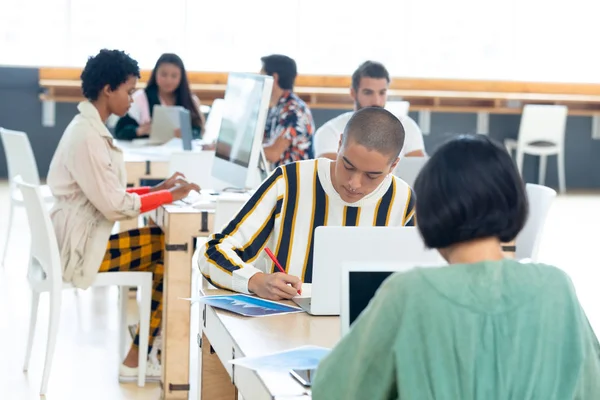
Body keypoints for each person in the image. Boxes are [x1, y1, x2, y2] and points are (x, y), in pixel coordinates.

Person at [311, 134, 600, 399]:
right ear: (514, 201)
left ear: (430, 209)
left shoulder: (408, 293)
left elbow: (334, 391)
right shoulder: (556, 287)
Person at [47, 49, 200, 382]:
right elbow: (115, 205)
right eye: (129, 91)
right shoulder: (88, 137)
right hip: (78, 251)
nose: (133, 99)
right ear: (108, 89)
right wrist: (169, 195)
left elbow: (111, 193)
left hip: (77, 239)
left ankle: (142, 351)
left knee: (164, 249)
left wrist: (158, 188)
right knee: (168, 248)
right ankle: (143, 352)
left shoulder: (88, 127)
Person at [198, 107, 416, 299]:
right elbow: (212, 252)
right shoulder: (289, 181)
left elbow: (419, 278)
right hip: (282, 329)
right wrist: (256, 281)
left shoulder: (403, 199)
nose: (354, 183)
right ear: (339, 144)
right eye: (347, 166)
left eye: (372, 176)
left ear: (394, 165)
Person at [313, 61, 426, 160]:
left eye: (382, 93)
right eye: (368, 92)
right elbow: (328, 177)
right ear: (353, 93)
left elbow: (418, 174)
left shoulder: (407, 126)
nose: (376, 101)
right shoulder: (330, 131)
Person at [114, 53, 206, 141]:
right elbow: (120, 131)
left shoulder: (191, 100)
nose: (168, 80)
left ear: (181, 77)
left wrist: (186, 134)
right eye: (164, 74)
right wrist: (140, 130)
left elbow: (198, 132)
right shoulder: (140, 98)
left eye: (174, 76)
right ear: (155, 74)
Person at [260, 54, 315, 167]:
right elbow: (261, 140)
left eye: (262, 76)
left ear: (274, 78)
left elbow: (273, 153)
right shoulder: (278, 106)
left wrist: (236, 149)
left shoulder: (293, 110)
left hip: (293, 181)